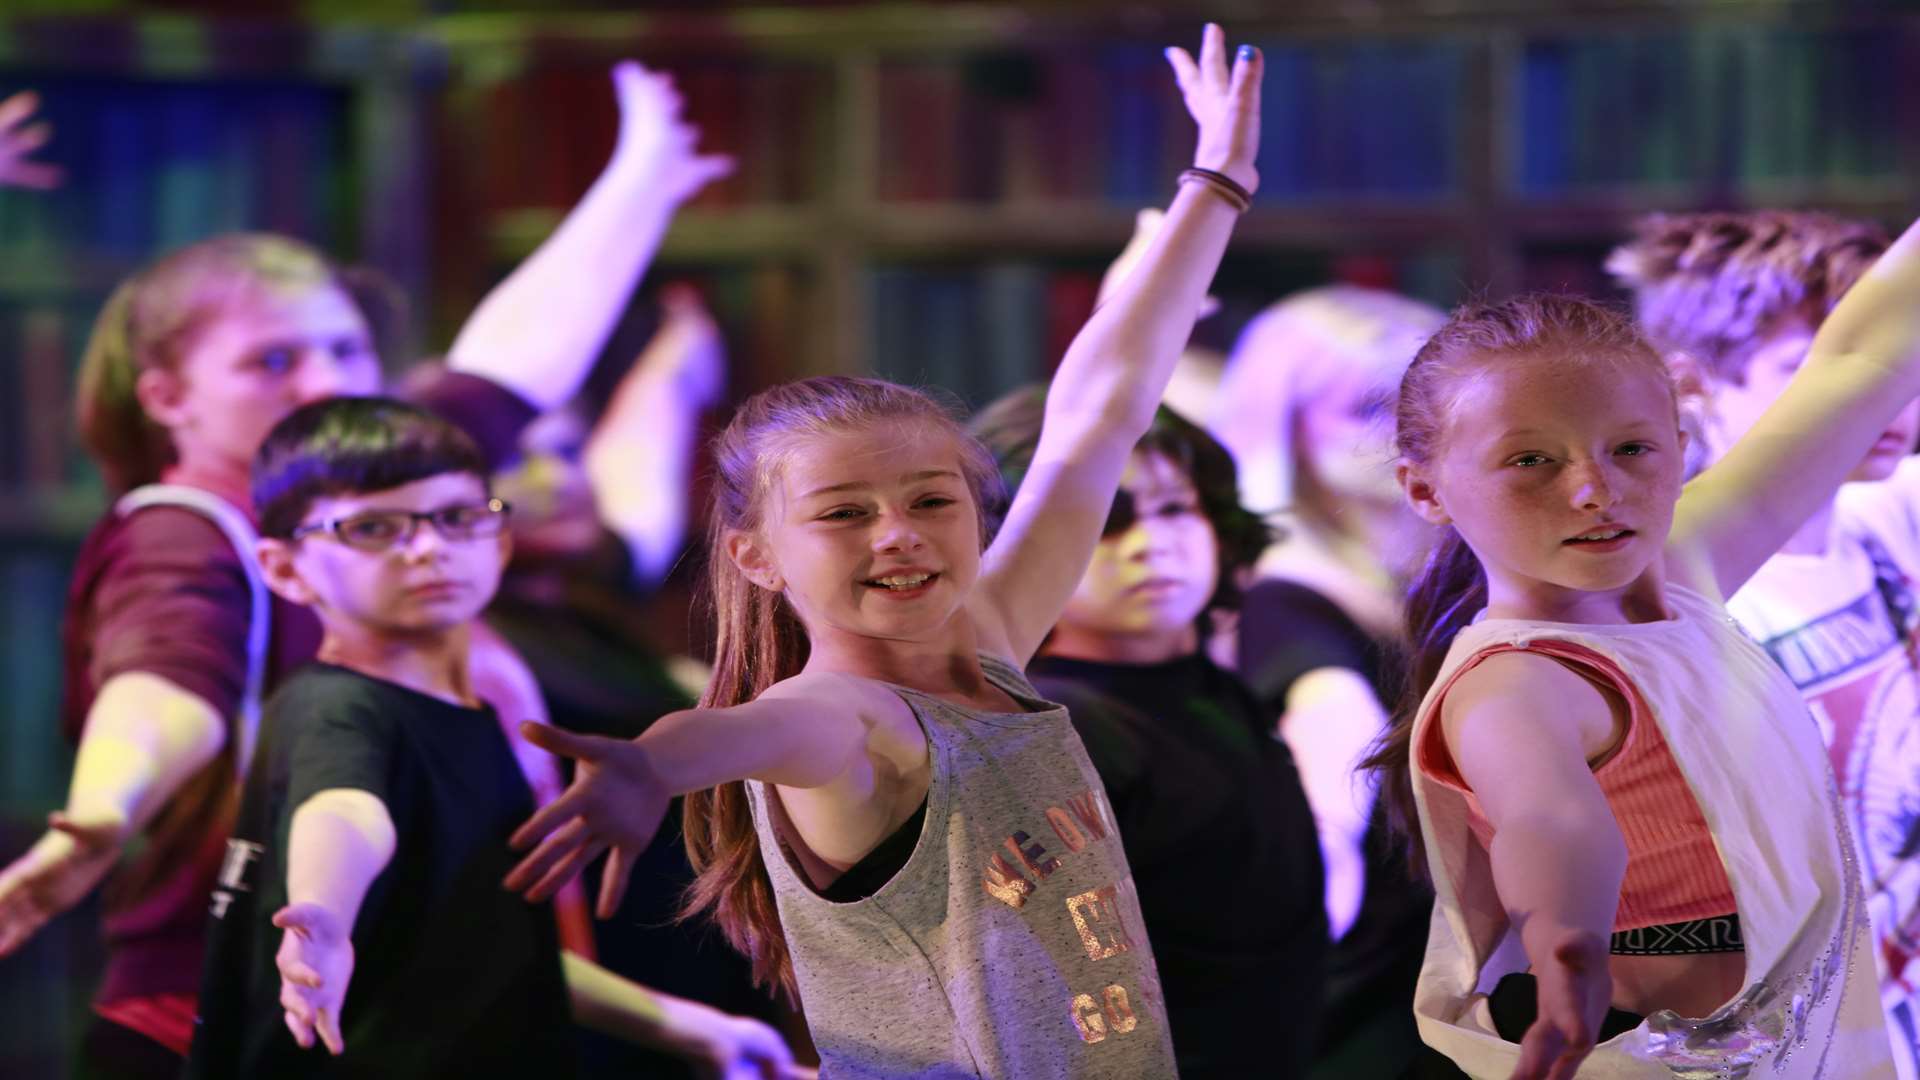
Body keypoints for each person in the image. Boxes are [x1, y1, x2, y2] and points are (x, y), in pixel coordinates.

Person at [500, 25, 1262, 1077]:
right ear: (758, 558)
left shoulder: (990, 641)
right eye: (843, 514)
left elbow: (1102, 406)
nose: (897, 533)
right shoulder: (845, 721)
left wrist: (1216, 182)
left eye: (929, 500)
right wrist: (648, 765)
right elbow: (736, 734)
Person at [0, 61, 728, 1078]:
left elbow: (510, 368)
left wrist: (642, 178)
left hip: (386, 1007)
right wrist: (104, 810)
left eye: (345, 351)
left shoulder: (378, 489)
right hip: (216, 1020)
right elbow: (170, 678)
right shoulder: (185, 529)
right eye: (274, 362)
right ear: (167, 396)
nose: (325, 383)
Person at [1363, 258, 1920, 1075]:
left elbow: (1858, 362)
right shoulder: (1514, 679)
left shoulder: (1680, 575)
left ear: (1681, 449)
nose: (1595, 488)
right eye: (1531, 462)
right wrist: (1566, 946)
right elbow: (1549, 819)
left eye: (1631, 448)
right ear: (1426, 490)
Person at [180, 397, 794, 1078]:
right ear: (284, 568)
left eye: (456, 518)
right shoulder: (339, 708)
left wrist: (687, 1026)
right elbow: (345, 810)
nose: (427, 548)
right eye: (373, 528)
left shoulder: (467, 709)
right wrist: (323, 912)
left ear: (497, 542)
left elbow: (489, 947)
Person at [1609, 210, 1920, 1078]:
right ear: (1694, 386)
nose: (1885, 398)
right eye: (1808, 370)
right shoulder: (1683, 590)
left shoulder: (1888, 515)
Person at [971, 387, 1328, 1078]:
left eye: (1172, 510)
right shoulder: (1050, 727)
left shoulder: (1207, 685)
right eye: (1105, 522)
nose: (1149, 545)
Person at [1209, 284, 1447, 1076]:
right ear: (1286, 425)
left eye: (1414, 409)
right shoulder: (1283, 593)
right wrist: (1326, 866)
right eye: (1364, 410)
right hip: (1374, 985)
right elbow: (1332, 720)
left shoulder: (1433, 570)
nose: (1396, 439)